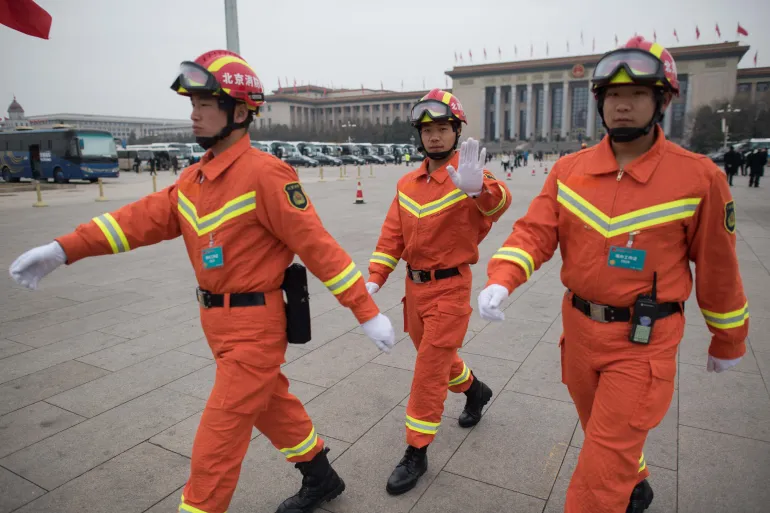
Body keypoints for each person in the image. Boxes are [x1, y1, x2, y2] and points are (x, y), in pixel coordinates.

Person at [8, 49, 396, 513]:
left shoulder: (267, 176)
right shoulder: (193, 181)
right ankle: (321, 476)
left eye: (203, 105)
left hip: (255, 328)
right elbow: (133, 221)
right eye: (190, 104)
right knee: (272, 404)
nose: (193, 115)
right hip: (217, 323)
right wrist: (63, 248)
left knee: (217, 441)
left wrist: (366, 310)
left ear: (237, 111)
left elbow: (319, 248)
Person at [476, 36, 748, 513]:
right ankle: (635, 481)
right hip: (579, 334)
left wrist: (728, 339)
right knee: (602, 431)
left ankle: (617, 487)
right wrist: (502, 277)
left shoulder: (699, 177)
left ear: (661, 100)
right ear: (600, 102)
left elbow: (719, 266)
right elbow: (534, 232)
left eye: (638, 94)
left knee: (596, 482)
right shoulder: (569, 170)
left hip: (643, 341)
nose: (624, 106)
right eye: (614, 95)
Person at [366, 88, 512, 495]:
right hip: (414, 290)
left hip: (450, 287)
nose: (434, 136)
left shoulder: (470, 178)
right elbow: (392, 234)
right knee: (436, 355)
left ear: (456, 132)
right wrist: (377, 274)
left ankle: (416, 450)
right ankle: (475, 390)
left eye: (443, 128)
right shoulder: (407, 183)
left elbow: (499, 204)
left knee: (428, 370)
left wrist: (477, 189)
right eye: (427, 129)